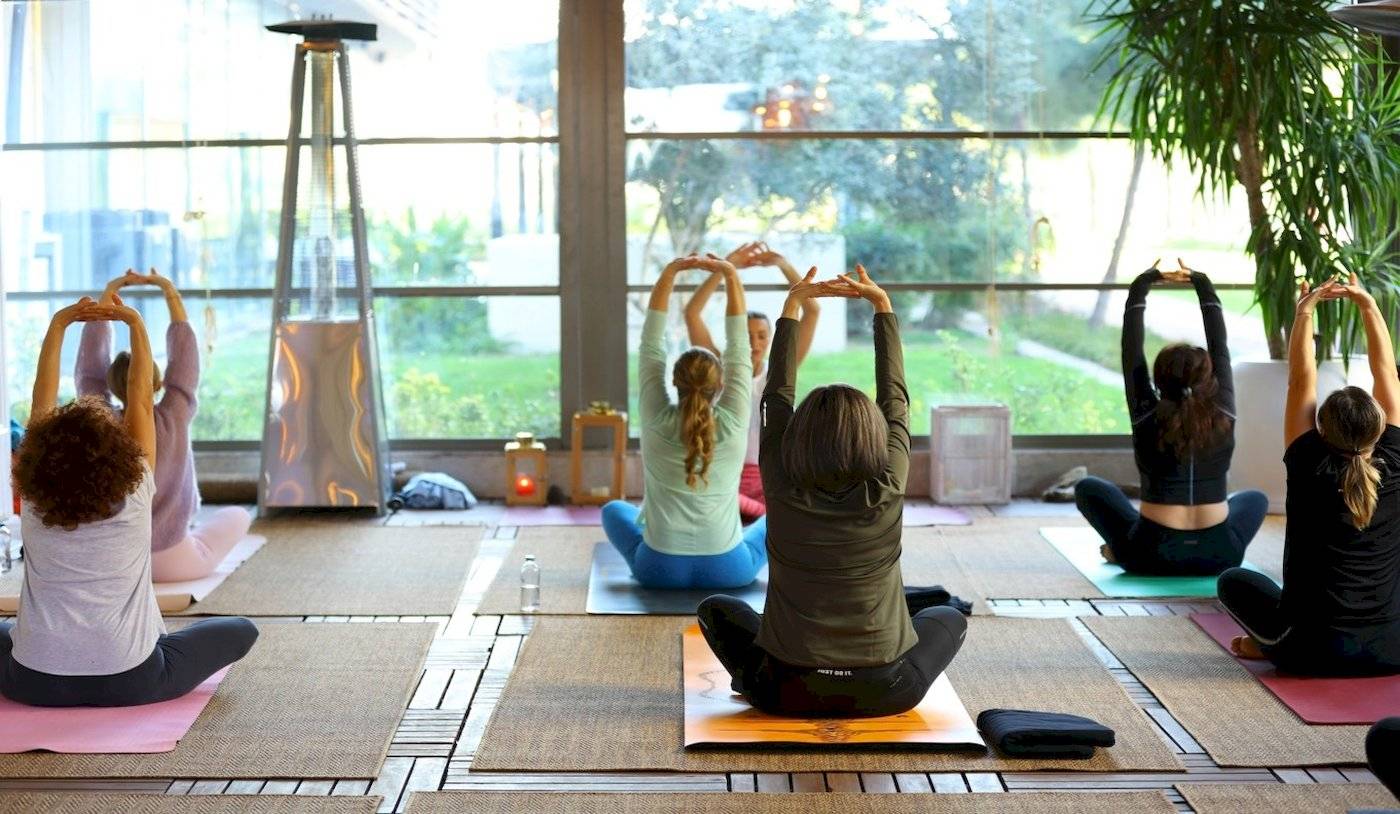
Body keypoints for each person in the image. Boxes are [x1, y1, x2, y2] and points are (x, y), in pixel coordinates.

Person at [698, 265, 967, 718]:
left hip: (785, 690)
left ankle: (752, 678)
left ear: (798, 437)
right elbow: (895, 401)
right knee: (948, 618)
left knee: (716, 609)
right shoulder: (889, 484)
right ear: (875, 437)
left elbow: (776, 399)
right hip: (887, 689)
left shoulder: (780, 484)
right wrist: (883, 308)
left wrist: (792, 307)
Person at [1, 296, 257, 707]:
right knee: (242, 629)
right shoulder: (136, 490)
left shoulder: (32, 498)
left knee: (8, 633)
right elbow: (139, 397)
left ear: (43, 455)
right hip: (133, 679)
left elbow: (40, 401)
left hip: (33, 681)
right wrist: (134, 322)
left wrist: (60, 324)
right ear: (116, 452)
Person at [1218, 274, 1400, 676]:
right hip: (1392, 651)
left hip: (1310, 652)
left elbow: (1301, 379)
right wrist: (1368, 305)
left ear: (1321, 428)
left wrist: (1305, 310)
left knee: (1234, 581)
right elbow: (1386, 371)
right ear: (1381, 426)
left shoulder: (1306, 459)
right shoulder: (1396, 456)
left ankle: (1269, 645)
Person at [1075, 266, 1268, 575]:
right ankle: (1127, 549)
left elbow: (1131, 353)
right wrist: (1202, 284)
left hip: (1149, 553)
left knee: (1087, 486)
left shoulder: (1146, 414)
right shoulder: (1224, 411)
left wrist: (1141, 286)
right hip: (1220, 556)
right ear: (1209, 378)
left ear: (1159, 377)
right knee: (1255, 498)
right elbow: (1221, 348)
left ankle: (1122, 550)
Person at [600, 253, 767, 589]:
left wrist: (671, 272)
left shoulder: (656, 417)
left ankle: (643, 558)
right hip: (730, 569)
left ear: (674, 383)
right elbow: (738, 347)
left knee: (613, 510)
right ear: (720, 385)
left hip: (658, 569)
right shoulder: (734, 419)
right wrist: (730, 275)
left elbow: (650, 347)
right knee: (778, 515)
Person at [77, 268, 252, 582]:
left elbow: (88, 374)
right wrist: (168, 291)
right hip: (172, 561)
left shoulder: (99, 420)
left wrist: (108, 293)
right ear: (158, 384)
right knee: (237, 515)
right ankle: (191, 535)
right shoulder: (173, 414)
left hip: (113, 565)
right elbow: (185, 363)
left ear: (112, 385)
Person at [685, 242, 821, 524]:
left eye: (761, 335)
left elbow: (812, 311)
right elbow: (692, 314)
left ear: (770, 339)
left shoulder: (780, 373)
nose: (754, 343)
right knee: (697, 492)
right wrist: (726, 267)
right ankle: (758, 517)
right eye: (747, 335)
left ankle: (756, 515)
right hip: (726, 475)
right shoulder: (719, 372)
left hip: (769, 477)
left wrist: (783, 264)